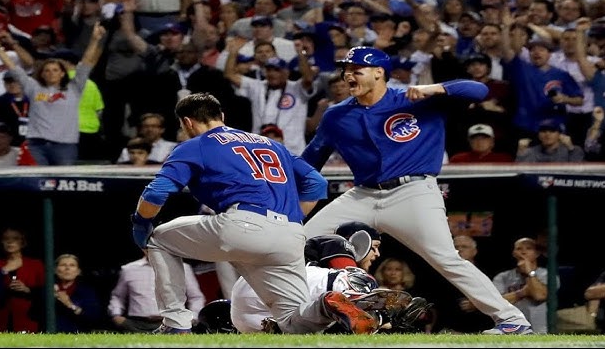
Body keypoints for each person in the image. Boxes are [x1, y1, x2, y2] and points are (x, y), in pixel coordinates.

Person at [301, 46, 534, 335]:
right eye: (346, 70)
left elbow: (477, 91)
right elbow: (310, 161)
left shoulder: (416, 99)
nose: (348, 75)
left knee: (446, 259)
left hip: (413, 191)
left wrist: (433, 89)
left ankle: (512, 321)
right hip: (362, 194)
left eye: (356, 70)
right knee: (298, 244)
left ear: (378, 73)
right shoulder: (336, 115)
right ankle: (282, 318)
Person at [130, 93, 379, 335]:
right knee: (294, 322)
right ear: (222, 115)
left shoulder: (195, 145)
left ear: (187, 122)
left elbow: (156, 193)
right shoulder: (271, 143)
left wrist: (141, 223)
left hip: (243, 224)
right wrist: (286, 220)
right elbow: (317, 183)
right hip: (290, 235)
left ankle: (176, 323)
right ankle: (325, 305)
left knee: (160, 238)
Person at [230, 222, 384, 333]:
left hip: (246, 317)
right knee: (360, 282)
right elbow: (352, 282)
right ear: (358, 242)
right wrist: (383, 316)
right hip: (279, 281)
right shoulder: (336, 241)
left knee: (309, 326)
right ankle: (325, 305)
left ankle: (284, 326)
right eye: (375, 247)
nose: (377, 254)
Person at [0, 22, 106, 165]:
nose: (51, 73)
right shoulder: (33, 87)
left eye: (55, 70)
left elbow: (87, 62)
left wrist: (95, 39)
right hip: (37, 145)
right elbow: (14, 68)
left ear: (62, 73)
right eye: (47, 70)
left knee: (63, 183)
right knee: (37, 183)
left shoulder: (74, 88)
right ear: (42, 74)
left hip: (64, 146)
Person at [108, 251, 205, 333]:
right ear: (144, 248)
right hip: (135, 324)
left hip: (173, 323)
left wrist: (193, 318)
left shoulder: (183, 268)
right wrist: (116, 315)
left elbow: (196, 297)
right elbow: (118, 296)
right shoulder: (129, 269)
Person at [492, 237, 556, 334]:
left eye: (528, 248)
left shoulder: (547, 275)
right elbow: (496, 303)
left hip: (541, 330)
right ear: (513, 253)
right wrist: (523, 292)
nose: (523, 252)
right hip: (509, 329)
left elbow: (539, 295)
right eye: (519, 249)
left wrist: (529, 272)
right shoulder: (502, 277)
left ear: (537, 253)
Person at [0, 227, 45, 333]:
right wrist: (4, 271)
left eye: (15, 238)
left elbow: (45, 291)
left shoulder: (35, 265)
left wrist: (27, 289)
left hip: (26, 317)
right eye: (6, 238)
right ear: (1, 242)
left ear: (23, 242)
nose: (10, 241)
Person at [29, 254, 102, 333]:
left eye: (72, 265)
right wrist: (50, 300)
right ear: (55, 270)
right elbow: (33, 315)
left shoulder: (87, 291)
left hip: (77, 337)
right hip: (50, 337)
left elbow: (93, 318)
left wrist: (70, 305)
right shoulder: (47, 290)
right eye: (63, 265)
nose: (67, 268)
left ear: (78, 271)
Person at [515, 118, 585, 162]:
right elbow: (521, 175)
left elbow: (580, 174)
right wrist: (521, 152)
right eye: (543, 131)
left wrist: (571, 148)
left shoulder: (572, 150)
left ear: (560, 134)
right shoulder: (531, 152)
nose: (547, 134)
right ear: (538, 135)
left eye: (552, 131)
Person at [449, 124, 514, 163]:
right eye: (475, 138)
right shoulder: (458, 159)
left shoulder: (504, 159)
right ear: (469, 141)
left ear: (492, 141)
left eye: (484, 138)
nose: (479, 141)